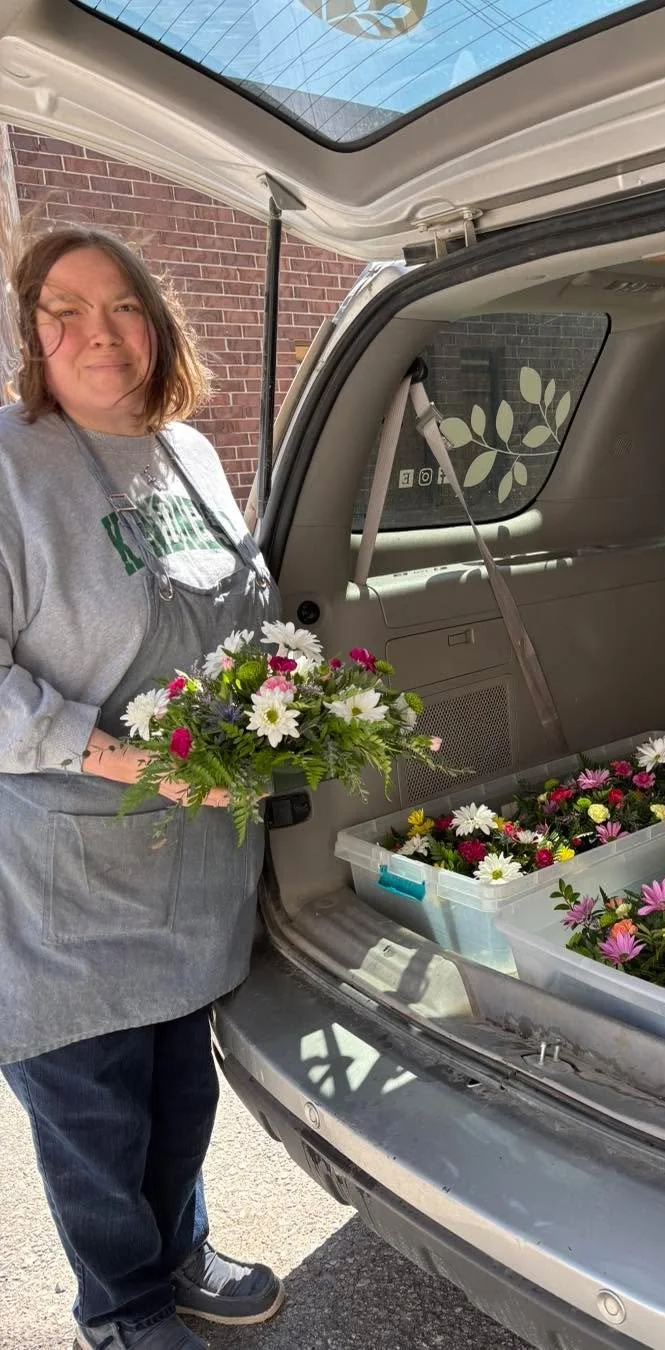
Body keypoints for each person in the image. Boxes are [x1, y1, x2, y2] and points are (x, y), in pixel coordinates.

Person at [0, 226, 283, 1350]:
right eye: (61, 308)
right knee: (93, 1117)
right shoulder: (11, 469)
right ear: (29, 328)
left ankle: (179, 1252)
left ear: (156, 322)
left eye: (120, 305)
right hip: (71, 879)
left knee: (179, 1099)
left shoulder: (190, 455)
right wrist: (142, 763)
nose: (96, 333)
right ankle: (118, 1311)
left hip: (195, 865)